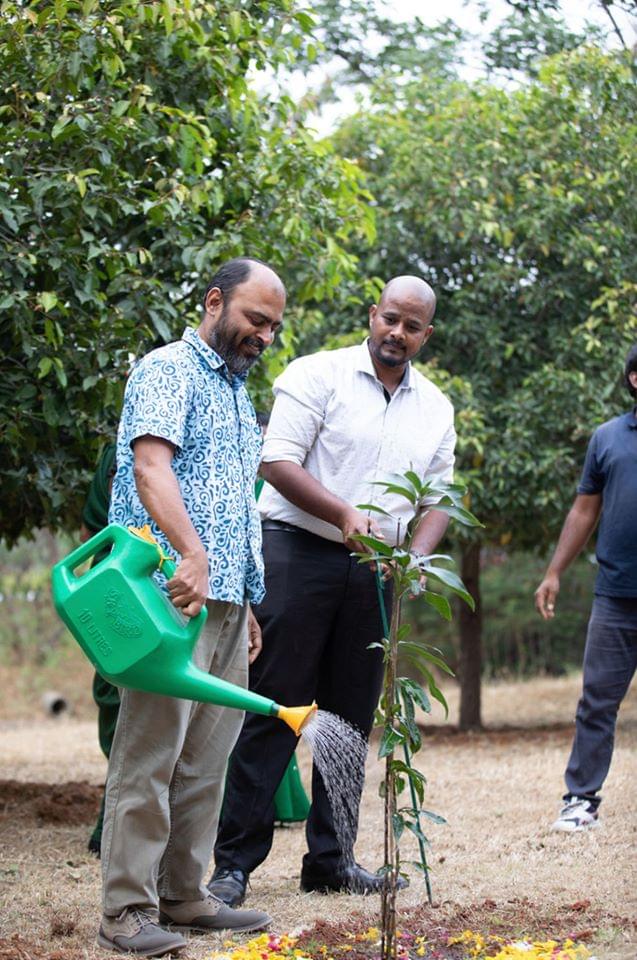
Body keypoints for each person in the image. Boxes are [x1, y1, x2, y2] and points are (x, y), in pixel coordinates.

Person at [209, 275, 456, 906]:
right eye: (389, 319)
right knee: (275, 708)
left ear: (427, 335)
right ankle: (233, 865)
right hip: (297, 553)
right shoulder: (316, 374)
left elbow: (441, 501)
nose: (396, 333)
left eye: (411, 326)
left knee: (350, 716)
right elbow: (276, 460)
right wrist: (345, 517)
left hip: (376, 571)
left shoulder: (437, 409)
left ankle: (332, 861)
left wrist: (414, 559)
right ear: (372, 315)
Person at [98, 258, 286, 957]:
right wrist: (192, 553)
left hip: (226, 601)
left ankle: (182, 893)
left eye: (272, 326)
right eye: (254, 319)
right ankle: (124, 909)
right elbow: (151, 467)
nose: (262, 335)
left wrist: (244, 600)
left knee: (207, 758)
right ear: (214, 301)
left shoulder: (238, 394)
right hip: (167, 594)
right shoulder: (167, 369)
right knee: (150, 755)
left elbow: (235, 505)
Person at [535, 344, 637, 833]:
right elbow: (583, 510)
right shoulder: (609, 438)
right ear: (635, 379)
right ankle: (580, 800)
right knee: (597, 701)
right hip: (616, 596)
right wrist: (554, 571)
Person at [78, 441, 120, 856]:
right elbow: (90, 534)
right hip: (115, 592)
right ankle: (114, 825)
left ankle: (115, 826)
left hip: (117, 589)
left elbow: (87, 537)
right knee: (116, 700)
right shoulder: (114, 453)